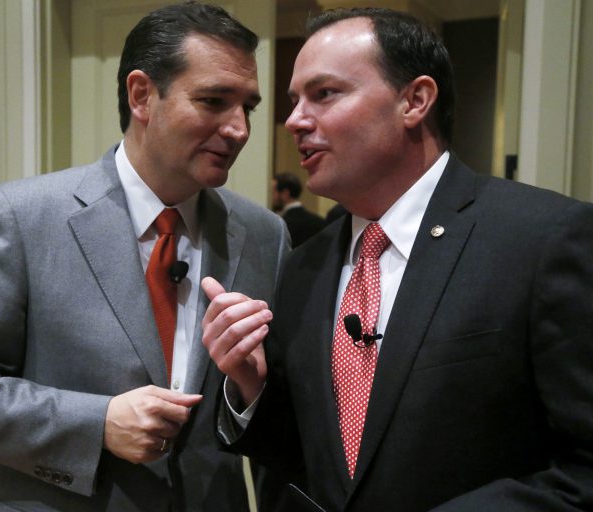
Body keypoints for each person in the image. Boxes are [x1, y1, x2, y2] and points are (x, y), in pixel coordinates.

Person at [201, 7, 593, 511]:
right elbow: (313, 462)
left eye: (324, 94)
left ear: (415, 100)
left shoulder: (545, 239)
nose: (294, 120)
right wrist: (252, 387)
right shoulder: (304, 266)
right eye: (294, 101)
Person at [0, 3, 289, 511]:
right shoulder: (23, 216)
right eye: (215, 100)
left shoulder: (266, 235)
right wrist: (97, 423)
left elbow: (274, 409)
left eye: (249, 107)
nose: (239, 128)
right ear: (142, 95)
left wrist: (250, 393)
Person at [272, 172, 325, 247]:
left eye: (273, 191)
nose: (272, 197)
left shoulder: (282, 225)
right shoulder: (320, 221)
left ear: (285, 194)